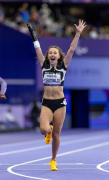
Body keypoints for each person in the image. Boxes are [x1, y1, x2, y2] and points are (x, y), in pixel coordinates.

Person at [27, 20, 86, 171]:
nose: (52, 54)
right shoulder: (43, 64)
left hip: (60, 103)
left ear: (59, 56)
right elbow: (38, 49)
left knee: (57, 134)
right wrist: (34, 36)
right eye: (50, 52)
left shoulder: (63, 66)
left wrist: (78, 33)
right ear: (48, 56)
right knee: (43, 129)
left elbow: (72, 49)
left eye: (55, 52)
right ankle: (48, 130)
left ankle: (53, 160)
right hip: (47, 102)